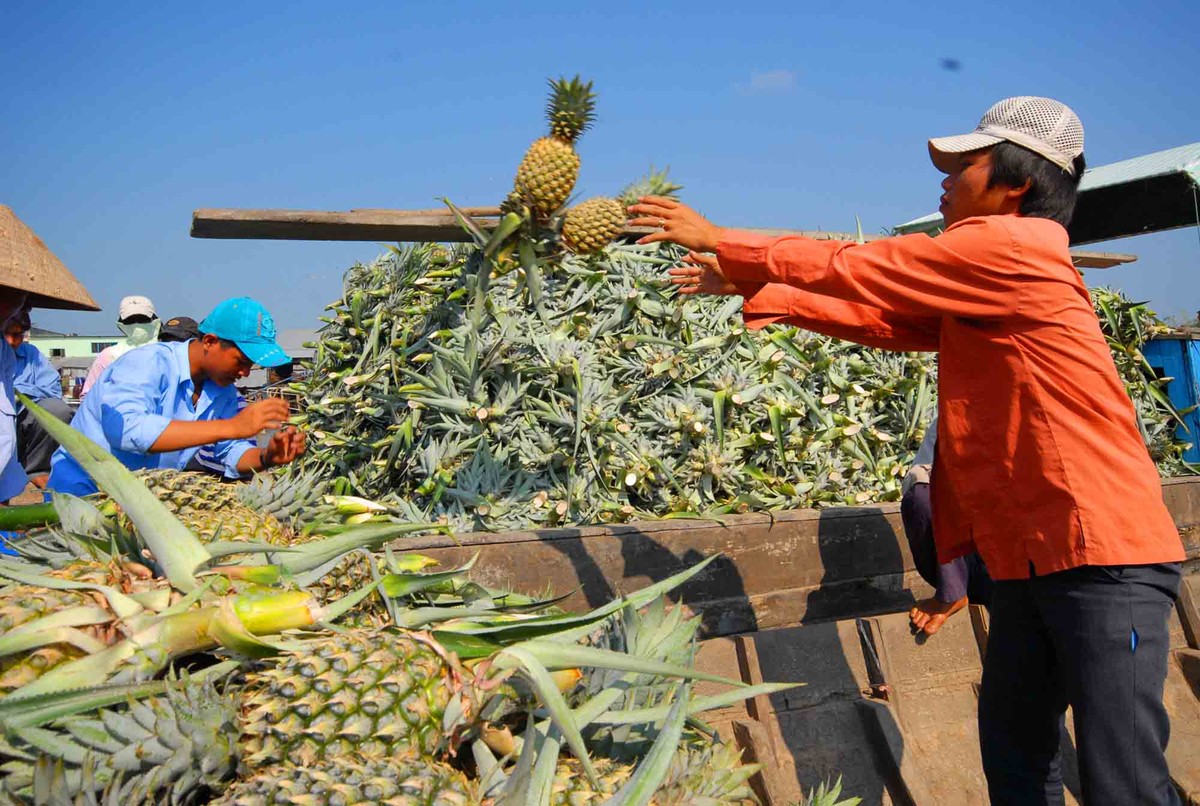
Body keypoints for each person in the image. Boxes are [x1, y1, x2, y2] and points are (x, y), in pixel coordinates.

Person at [631, 97, 1184, 804]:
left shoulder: (1012, 248)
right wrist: (762, 285)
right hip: (1029, 559)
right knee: (1017, 758)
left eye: (965, 165)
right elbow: (892, 320)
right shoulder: (983, 276)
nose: (945, 180)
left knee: (1124, 782)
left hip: (1105, 557)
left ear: (1018, 181)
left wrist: (723, 239)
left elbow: (866, 265)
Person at [48, 297, 306, 496]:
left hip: (139, 500)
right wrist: (230, 427)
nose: (246, 373)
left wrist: (267, 456)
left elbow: (230, 451)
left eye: (251, 365)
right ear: (210, 341)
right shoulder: (147, 363)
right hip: (86, 492)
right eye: (241, 361)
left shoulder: (222, 391)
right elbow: (127, 431)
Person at [900, 415, 992, 635]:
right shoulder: (959, 411)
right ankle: (952, 592)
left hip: (1029, 562)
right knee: (921, 493)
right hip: (971, 557)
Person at [4, 311, 74, 488]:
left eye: (18, 335)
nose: (13, 341)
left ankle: (37, 469)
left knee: (58, 410)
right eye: (8, 334)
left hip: (25, 418)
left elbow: (52, 390)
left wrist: (19, 394)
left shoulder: (31, 354)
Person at [80, 295, 161, 397]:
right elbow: (88, 395)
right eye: (130, 321)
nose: (136, 324)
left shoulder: (166, 352)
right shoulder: (109, 355)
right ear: (121, 324)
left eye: (142, 319)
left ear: (154, 320)